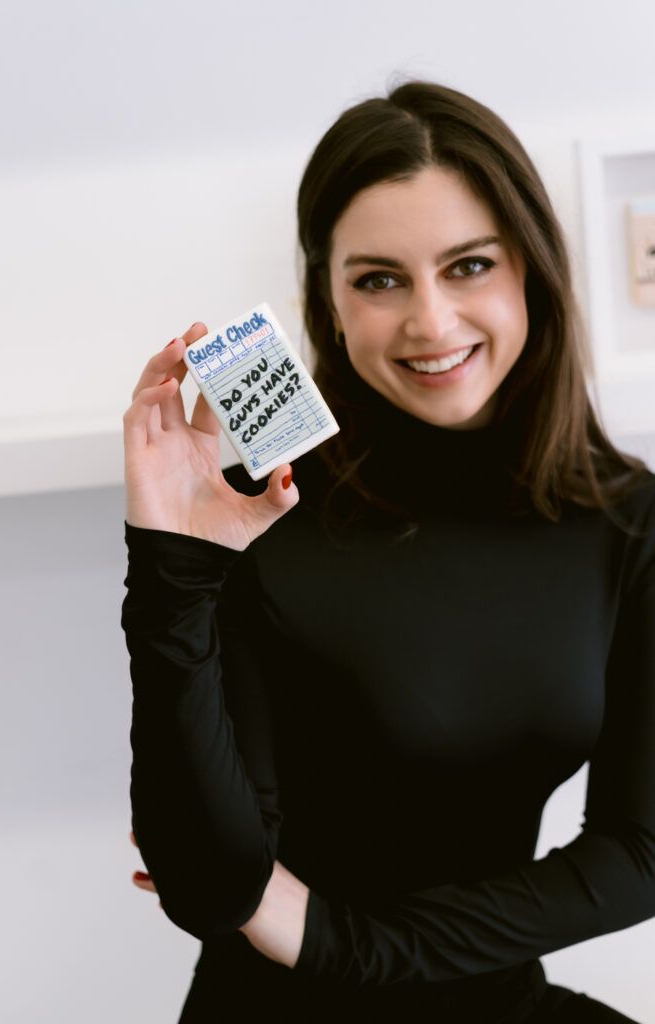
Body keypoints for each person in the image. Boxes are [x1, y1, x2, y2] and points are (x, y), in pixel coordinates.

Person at [121, 82, 655, 1022]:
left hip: (476, 992)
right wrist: (171, 570)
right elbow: (210, 887)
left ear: (530, 270)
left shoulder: (628, 520)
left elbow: (639, 852)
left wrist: (348, 941)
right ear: (326, 303)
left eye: (468, 266)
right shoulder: (256, 514)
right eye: (378, 279)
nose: (430, 323)